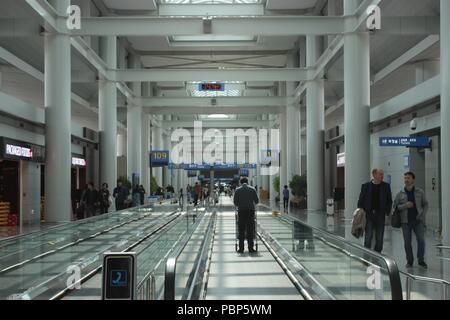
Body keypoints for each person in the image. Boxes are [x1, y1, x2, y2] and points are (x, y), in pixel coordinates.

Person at [393, 172, 429, 269]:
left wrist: (422, 214)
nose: (406, 180)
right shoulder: (400, 193)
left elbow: (425, 204)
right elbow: (395, 206)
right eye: (405, 178)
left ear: (413, 179)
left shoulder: (420, 192)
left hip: (418, 221)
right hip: (405, 222)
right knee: (407, 243)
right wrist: (405, 205)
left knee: (421, 241)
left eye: (408, 178)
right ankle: (410, 261)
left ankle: (421, 260)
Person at [357, 169, 392, 253]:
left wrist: (387, 211)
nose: (382, 176)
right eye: (380, 174)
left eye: (382, 174)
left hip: (380, 215)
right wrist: (361, 209)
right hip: (369, 215)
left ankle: (378, 256)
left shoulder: (386, 186)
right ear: (374, 175)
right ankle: (367, 255)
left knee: (379, 238)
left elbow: (389, 200)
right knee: (368, 236)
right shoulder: (366, 186)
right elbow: (360, 200)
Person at [233, 177, 259, 253]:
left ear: (241, 183)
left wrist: (241, 203)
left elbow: (235, 202)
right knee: (250, 229)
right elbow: (257, 201)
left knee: (241, 230)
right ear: (247, 182)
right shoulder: (252, 189)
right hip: (250, 212)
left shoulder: (237, 190)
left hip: (241, 212)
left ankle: (241, 248)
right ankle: (251, 248)